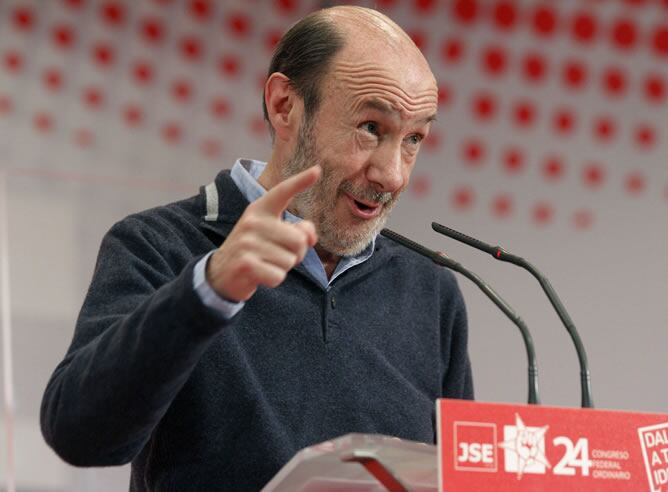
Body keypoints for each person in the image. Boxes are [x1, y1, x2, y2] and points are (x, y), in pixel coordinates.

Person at [40, 6, 473, 491]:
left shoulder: (430, 291)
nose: (392, 174)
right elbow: (80, 435)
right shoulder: (160, 247)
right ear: (285, 105)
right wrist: (208, 290)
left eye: (414, 138)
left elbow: (458, 478)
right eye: (371, 127)